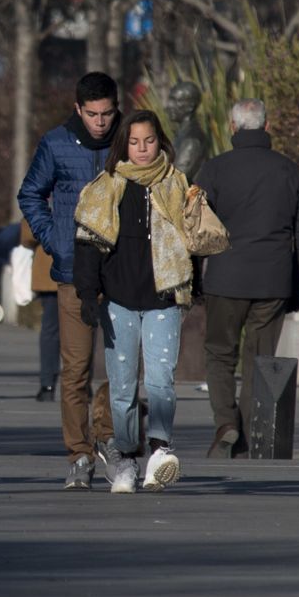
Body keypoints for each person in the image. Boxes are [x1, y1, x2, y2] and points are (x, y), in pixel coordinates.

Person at [74, 110, 195, 494]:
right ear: (123, 144)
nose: (143, 149)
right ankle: (125, 458)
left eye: (150, 140)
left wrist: (195, 284)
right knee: (122, 387)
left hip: (163, 298)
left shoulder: (177, 183)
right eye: (134, 141)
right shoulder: (107, 185)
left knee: (161, 382)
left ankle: (160, 451)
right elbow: (88, 243)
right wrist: (86, 293)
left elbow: (193, 240)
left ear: (161, 141)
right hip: (118, 301)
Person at [194, 98, 299, 459]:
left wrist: (193, 278)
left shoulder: (214, 170)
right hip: (273, 280)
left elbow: (194, 224)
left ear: (232, 128)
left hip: (224, 278)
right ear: (267, 127)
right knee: (259, 360)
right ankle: (247, 437)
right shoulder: (288, 170)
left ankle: (226, 423)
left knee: (219, 354)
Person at [16, 71, 121, 489]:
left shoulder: (128, 141)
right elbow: (30, 193)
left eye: (108, 114)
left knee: (120, 366)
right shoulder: (57, 143)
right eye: (93, 114)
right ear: (78, 109)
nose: (101, 122)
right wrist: (54, 239)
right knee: (75, 369)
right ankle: (79, 454)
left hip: (120, 273)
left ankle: (111, 441)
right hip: (72, 271)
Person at [19, 222, 58, 402]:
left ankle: (47, 384)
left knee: (50, 330)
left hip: (50, 266)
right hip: (82, 265)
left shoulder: (44, 195)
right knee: (83, 331)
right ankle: (83, 385)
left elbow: (28, 236)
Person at [164, 82, 206, 180]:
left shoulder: (192, 140)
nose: (169, 106)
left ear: (190, 106)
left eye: (175, 100)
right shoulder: (182, 134)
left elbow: (178, 177)